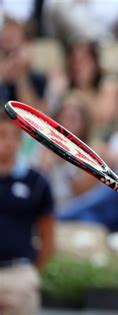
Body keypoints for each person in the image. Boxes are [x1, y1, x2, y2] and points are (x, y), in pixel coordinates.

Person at [0, 109, 55, 315]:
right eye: (2, 135)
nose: (7, 142)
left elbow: (48, 234)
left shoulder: (37, 181)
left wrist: (31, 271)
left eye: (14, 136)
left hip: (19, 274)